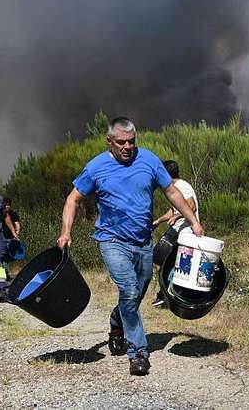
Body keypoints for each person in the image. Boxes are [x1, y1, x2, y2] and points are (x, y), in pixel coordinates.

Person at [56, 117, 203, 376]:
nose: (127, 147)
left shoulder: (148, 160)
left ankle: (116, 320)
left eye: (131, 142)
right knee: (129, 289)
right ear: (109, 142)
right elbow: (73, 199)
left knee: (135, 295)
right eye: (121, 142)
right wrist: (65, 231)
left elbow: (171, 192)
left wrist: (193, 222)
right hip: (112, 241)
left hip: (144, 241)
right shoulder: (96, 167)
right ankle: (138, 353)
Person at [150, 160, 200, 308]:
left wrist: (177, 217)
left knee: (161, 259)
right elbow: (175, 209)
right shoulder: (176, 187)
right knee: (160, 259)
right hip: (177, 229)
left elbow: (191, 205)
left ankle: (168, 297)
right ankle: (166, 294)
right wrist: (159, 220)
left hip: (184, 230)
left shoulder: (181, 186)